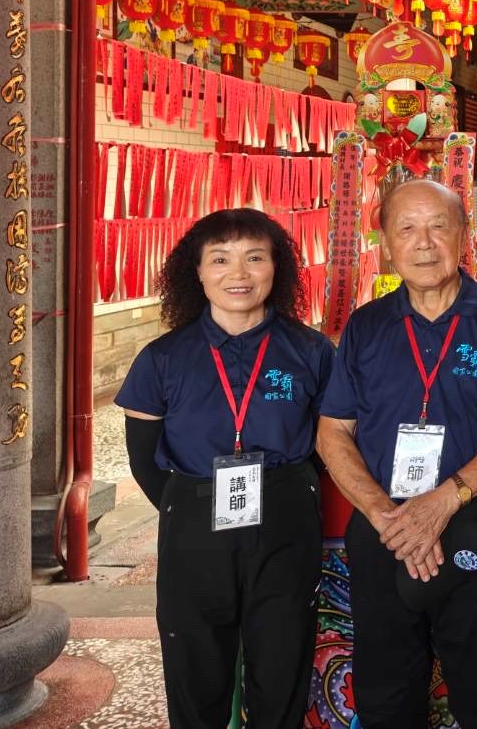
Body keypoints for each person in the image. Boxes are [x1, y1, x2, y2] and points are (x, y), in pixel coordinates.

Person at [317, 179, 477, 728]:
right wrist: (386, 514)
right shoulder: (365, 327)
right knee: (386, 684)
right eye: (406, 228)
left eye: (439, 226)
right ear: (386, 243)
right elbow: (333, 429)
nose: (424, 242)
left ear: (464, 235)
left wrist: (445, 500)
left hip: (470, 515)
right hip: (383, 525)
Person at [116, 208, 333, 728]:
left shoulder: (311, 352)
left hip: (285, 518)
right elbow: (144, 459)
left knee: (281, 662)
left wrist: (290, 489)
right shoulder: (162, 358)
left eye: (254, 258)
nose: (239, 274)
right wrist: (188, 504)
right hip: (194, 518)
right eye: (221, 259)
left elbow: (332, 447)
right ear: (196, 272)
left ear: (276, 268)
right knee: (196, 664)